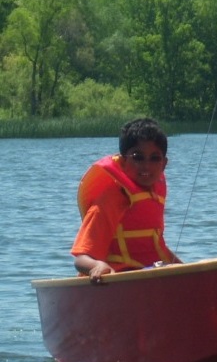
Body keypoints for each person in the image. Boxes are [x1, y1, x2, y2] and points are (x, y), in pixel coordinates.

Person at [71, 118, 181, 282]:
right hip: (119, 280)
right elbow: (80, 258)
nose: (146, 165)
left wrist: (187, 270)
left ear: (164, 164)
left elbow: (156, 247)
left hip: (149, 276)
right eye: (138, 157)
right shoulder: (110, 200)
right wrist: (96, 266)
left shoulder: (155, 195)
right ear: (122, 162)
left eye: (154, 158)